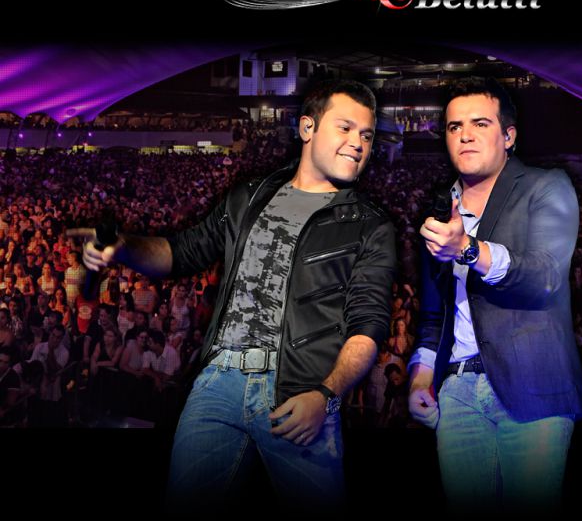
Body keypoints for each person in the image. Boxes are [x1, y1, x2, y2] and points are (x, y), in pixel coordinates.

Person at [67, 79, 395, 513]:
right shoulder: (249, 196)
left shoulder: (370, 225)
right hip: (217, 384)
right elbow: (181, 252)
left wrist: (325, 395)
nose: (358, 143)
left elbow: (368, 326)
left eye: (367, 135)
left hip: (298, 394)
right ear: (307, 128)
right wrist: (124, 246)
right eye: (346, 128)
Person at [408, 77, 582, 515]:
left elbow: (546, 276)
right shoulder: (439, 213)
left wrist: (469, 249)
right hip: (456, 394)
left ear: (508, 136)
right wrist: (420, 377)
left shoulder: (547, 187)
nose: (465, 135)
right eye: (454, 126)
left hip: (533, 387)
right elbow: (433, 316)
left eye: (480, 123)